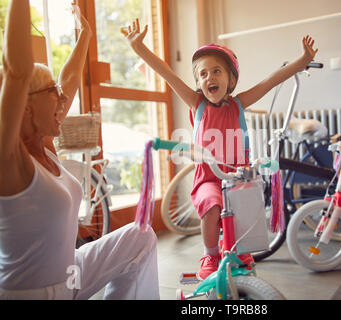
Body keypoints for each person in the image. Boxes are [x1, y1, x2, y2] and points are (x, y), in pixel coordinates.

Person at [123, 18, 318, 280]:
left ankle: (236, 249)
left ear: (231, 79)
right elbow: (167, 74)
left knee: (246, 205)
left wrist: (302, 59)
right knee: (213, 205)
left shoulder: (238, 104)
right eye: (203, 74)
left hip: (238, 175)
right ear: (198, 83)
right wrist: (140, 49)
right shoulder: (196, 103)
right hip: (209, 178)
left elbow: (271, 81)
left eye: (216, 71)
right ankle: (210, 254)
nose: (209, 77)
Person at [0, 1, 159, 299]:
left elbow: (69, 80)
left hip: (69, 276)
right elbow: (16, 72)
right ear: (26, 106)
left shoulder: (43, 144)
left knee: (140, 235)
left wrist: (84, 33)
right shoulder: (8, 161)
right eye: (53, 92)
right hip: (34, 293)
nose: (63, 100)